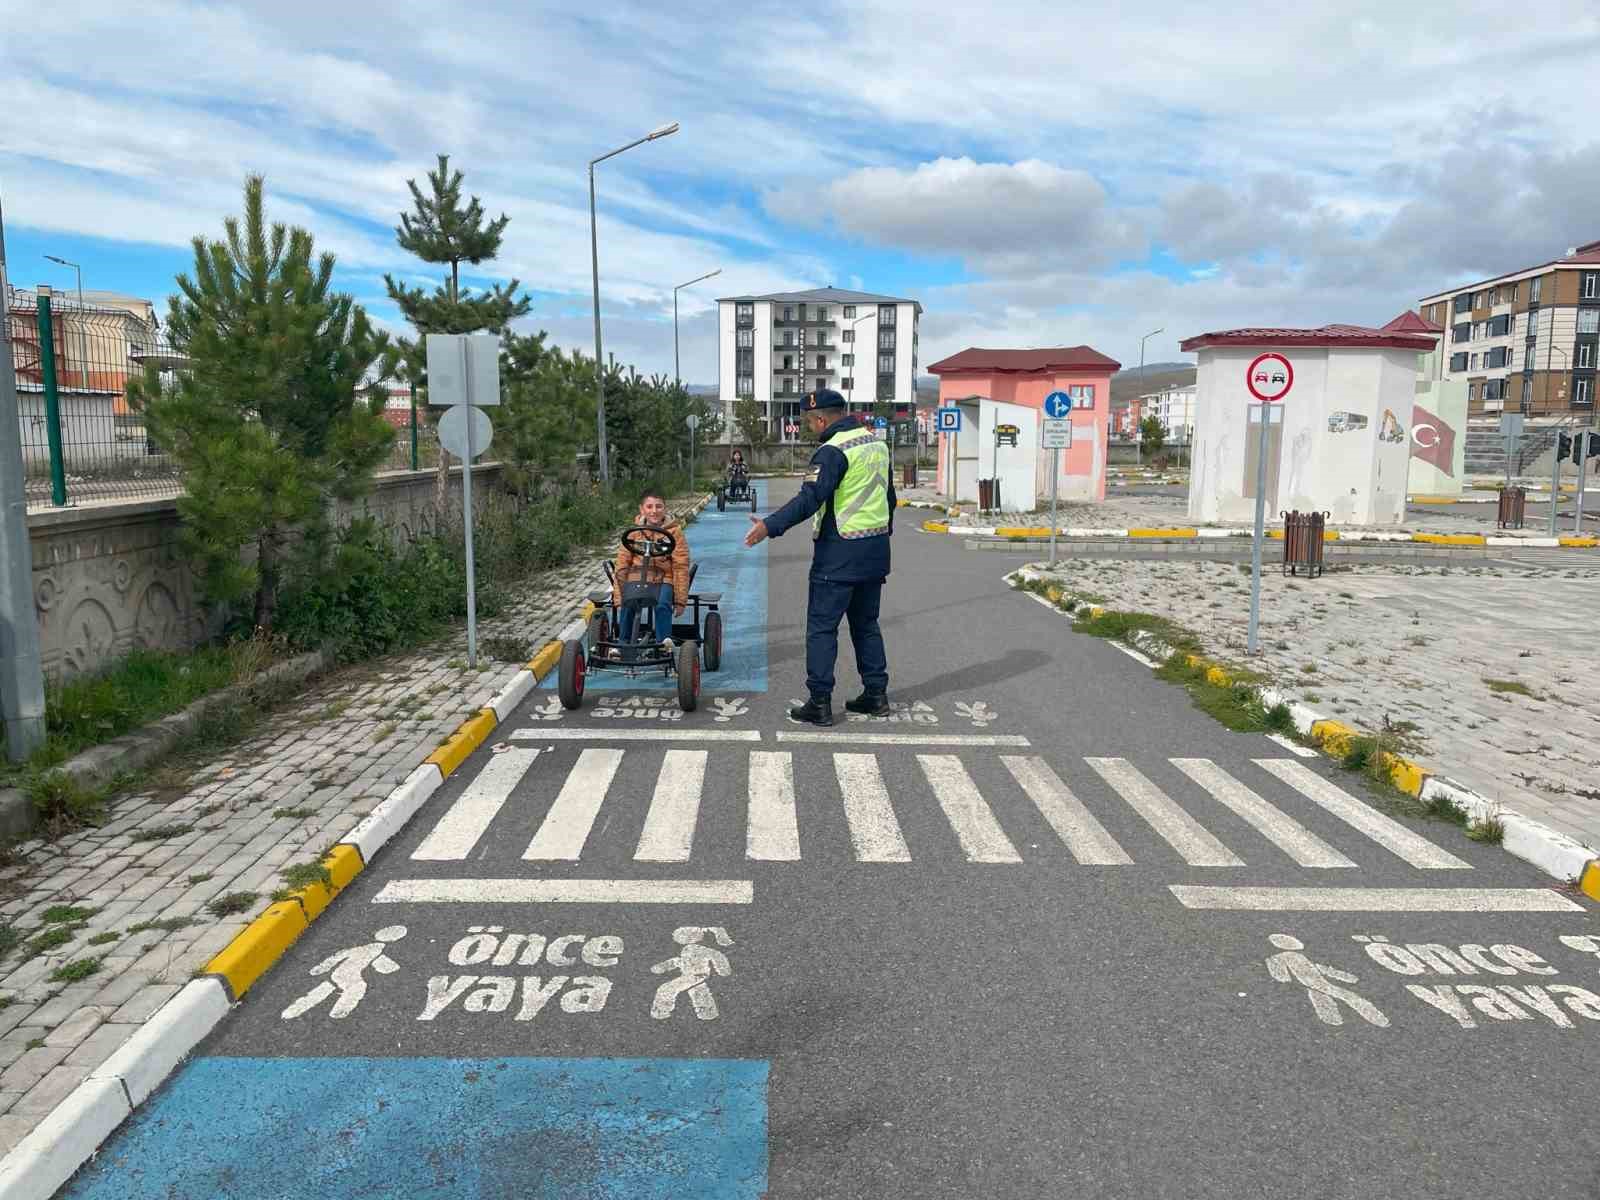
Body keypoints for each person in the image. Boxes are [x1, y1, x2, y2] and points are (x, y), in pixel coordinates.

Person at [743, 389, 895, 726]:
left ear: (821, 418)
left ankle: (820, 702)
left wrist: (770, 526)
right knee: (866, 626)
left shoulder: (831, 451)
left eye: (810, 421)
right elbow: (890, 498)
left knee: (822, 629)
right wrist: (883, 536)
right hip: (874, 551)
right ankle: (876, 695)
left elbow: (809, 499)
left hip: (839, 553)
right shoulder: (876, 444)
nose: (810, 427)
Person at [613, 488, 689, 654]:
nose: (654, 511)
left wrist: (681, 600)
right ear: (642, 509)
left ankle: (663, 644)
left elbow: (680, 566)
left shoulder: (675, 533)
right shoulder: (633, 533)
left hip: (664, 579)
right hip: (637, 576)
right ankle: (623, 643)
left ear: (665, 508)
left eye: (658, 506)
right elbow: (622, 564)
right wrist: (619, 597)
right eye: (649, 507)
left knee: (662, 604)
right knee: (628, 604)